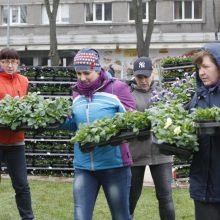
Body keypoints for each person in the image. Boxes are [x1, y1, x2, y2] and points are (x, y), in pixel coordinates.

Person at [62, 48, 136, 220]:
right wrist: (61, 121)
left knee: (121, 216)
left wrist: (117, 131)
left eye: (86, 73)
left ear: (97, 69)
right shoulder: (76, 92)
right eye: (78, 73)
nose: (82, 78)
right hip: (84, 166)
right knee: (80, 216)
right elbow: (75, 125)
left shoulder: (117, 89)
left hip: (114, 166)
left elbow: (133, 122)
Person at [128, 57, 175, 220]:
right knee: (131, 198)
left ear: (152, 73)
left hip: (161, 153)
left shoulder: (164, 94)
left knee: (165, 197)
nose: (143, 80)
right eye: (139, 77)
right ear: (134, 76)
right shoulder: (128, 95)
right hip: (135, 153)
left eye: (146, 76)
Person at [0, 48, 34, 219]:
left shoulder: (24, 81)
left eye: (13, 61)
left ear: (18, 62)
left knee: (21, 184)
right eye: (5, 61)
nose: (10, 65)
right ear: (1, 63)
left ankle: (28, 217)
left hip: (16, 142)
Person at [187, 42, 220, 220]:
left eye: (206, 67)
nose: (201, 72)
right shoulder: (198, 96)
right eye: (199, 67)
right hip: (202, 183)